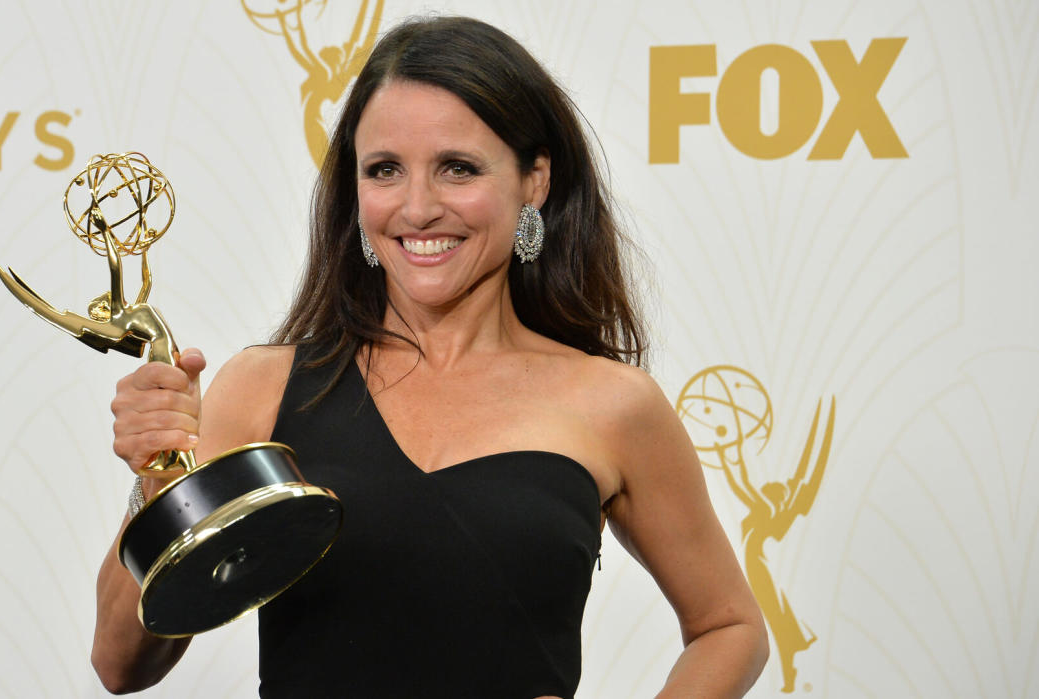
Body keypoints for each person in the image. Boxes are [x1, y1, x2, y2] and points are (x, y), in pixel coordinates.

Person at [91, 15, 768, 698]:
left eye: (458, 168)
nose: (417, 208)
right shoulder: (263, 388)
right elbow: (120, 661)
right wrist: (156, 477)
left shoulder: (614, 404)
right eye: (385, 170)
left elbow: (729, 625)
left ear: (533, 181)